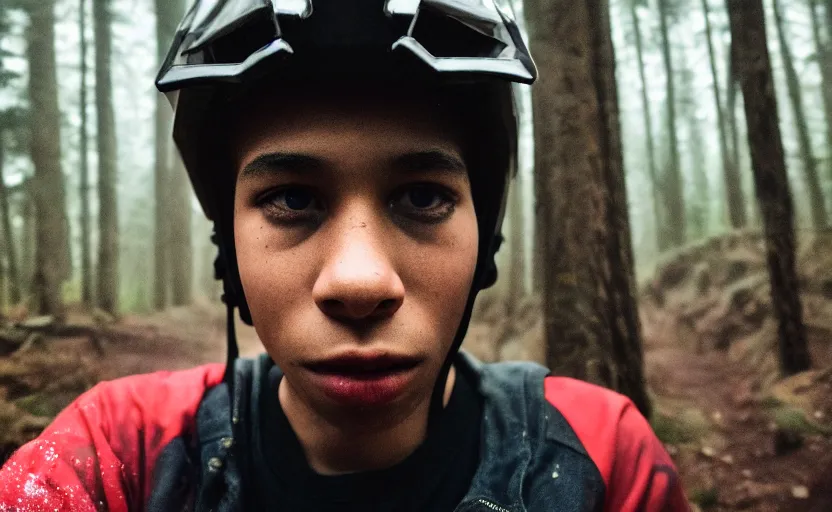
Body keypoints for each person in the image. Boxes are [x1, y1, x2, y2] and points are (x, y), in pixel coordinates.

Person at [0, 1, 690, 510]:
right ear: (227, 247)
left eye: (422, 198)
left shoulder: (598, 455)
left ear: (486, 239)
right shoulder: (121, 452)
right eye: (293, 200)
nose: (359, 283)